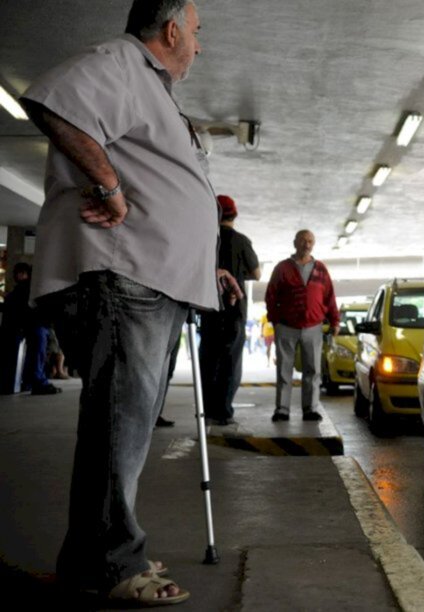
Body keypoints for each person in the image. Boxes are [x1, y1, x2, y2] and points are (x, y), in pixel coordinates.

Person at [18, 0, 241, 604]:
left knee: (124, 425)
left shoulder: (151, 87)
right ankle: (113, 563)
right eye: (196, 32)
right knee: (121, 424)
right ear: (171, 29)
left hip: (151, 278)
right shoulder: (122, 60)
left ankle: (94, 559)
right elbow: (48, 100)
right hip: (125, 274)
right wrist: (110, 187)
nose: (200, 44)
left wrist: (206, 260)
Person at [265, 230, 340, 422]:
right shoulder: (282, 268)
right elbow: (271, 296)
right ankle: (282, 409)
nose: (307, 245)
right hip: (286, 327)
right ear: (295, 243)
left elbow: (330, 297)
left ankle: (310, 409)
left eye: (310, 241)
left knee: (313, 370)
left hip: (313, 327)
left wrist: (335, 321)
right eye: (303, 241)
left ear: (313, 244)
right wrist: (275, 321)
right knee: (284, 369)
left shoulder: (321, 269)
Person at [199, 194, 261, 426]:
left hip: (208, 307)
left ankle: (206, 410)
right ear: (235, 214)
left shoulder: (206, 240)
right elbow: (256, 274)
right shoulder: (241, 241)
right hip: (234, 311)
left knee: (207, 357)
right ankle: (224, 411)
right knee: (230, 361)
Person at [0, 262, 61, 395]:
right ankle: (36, 381)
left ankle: (32, 380)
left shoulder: (24, 289)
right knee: (38, 345)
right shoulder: (27, 288)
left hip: (26, 325)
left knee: (37, 346)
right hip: (29, 325)